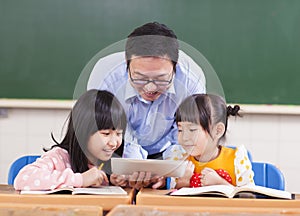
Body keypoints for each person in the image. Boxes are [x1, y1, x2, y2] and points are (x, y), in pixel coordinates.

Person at [87, 22, 206, 160]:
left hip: (168, 151)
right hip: (117, 151)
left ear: (175, 67)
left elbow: (192, 136)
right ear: (127, 64)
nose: (150, 88)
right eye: (140, 78)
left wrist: (170, 170)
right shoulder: (105, 77)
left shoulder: (191, 81)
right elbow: (96, 133)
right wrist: (127, 166)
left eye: (161, 78)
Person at [14, 90, 127, 191]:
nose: (113, 143)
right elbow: (23, 179)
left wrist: (116, 181)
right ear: (83, 132)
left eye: (119, 134)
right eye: (106, 134)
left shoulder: (113, 163)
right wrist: (80, 180)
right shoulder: (59, 158)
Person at [165, 94, 254, 189]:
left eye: (192, 130)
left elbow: (248, 197)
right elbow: (173, 200)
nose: (184, 137)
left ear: (218, 131)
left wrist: (221, 183)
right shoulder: (179, 159)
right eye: (180, 130)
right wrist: (184, 182)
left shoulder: (237, 160)